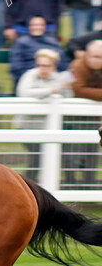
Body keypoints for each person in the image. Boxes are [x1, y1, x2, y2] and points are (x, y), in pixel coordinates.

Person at [15, 48, 73, 180]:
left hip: (48, 127)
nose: (43, 68)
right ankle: (29, 186)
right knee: (38, 157)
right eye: (40, 65)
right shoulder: (30, 75)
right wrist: (51, 90)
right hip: (27, 126)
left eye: (46, 65)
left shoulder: (58, 78)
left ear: (54, 66)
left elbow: (67, 97)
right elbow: (23, 92)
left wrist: (66, 88)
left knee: (46, 158)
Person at [65, 39, 102, 185]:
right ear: (87, 55)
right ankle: (69, 184)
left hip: (93, 118)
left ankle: (90, 185)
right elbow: (78, 89)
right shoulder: (78, 65)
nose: (97, 61)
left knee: (92, 152)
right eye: (94, 56)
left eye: (100, 57)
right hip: (73, 117)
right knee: (70, 153)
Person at [9, 16, 68, 81]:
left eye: (40, 25)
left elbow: (63, 63)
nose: (37, 27)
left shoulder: (53, 42)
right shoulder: (21, 42)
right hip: (30, 79)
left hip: (53, 78)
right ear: (29, 27)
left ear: (45, 27)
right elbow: (16, 67)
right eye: (34, 25)